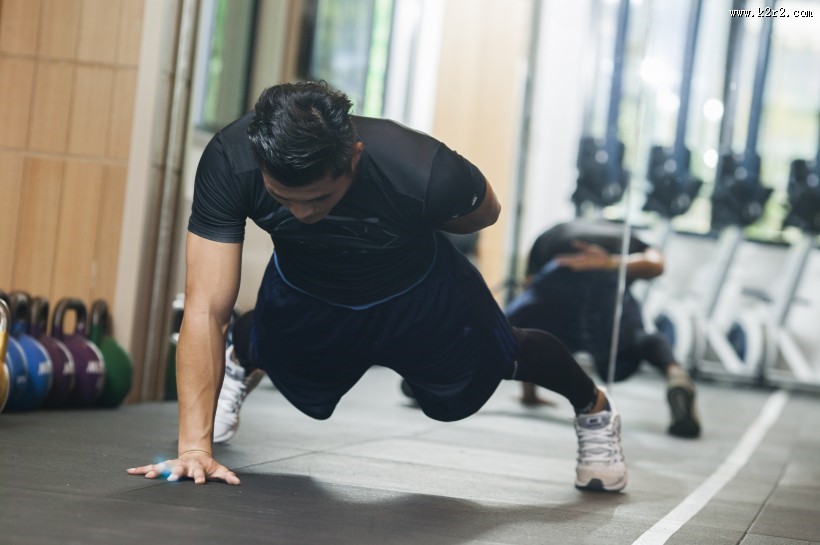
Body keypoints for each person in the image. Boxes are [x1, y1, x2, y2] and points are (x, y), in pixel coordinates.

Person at [127, 81, 628, 492]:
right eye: (286, 199)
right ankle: (244, 354)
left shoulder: (425, 170)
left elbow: (486, 213)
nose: (301, 214)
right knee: (270, 346)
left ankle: (594, 409)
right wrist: (194, 448)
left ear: (355, 158)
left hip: (418, 290)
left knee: (497, 360)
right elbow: (205, 308)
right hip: (308, 288)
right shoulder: (230, 162)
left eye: (318, 198)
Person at [505, 219, 701, 438]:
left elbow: (531, 290)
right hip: (607, 279)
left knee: (520, 332)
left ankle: (481, 370)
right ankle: (674, 371)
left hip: (559, 276)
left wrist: (528, 393)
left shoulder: (554, 231)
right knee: (635, 340)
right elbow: (656, 265)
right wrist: (607, 263)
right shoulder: (630, 235)